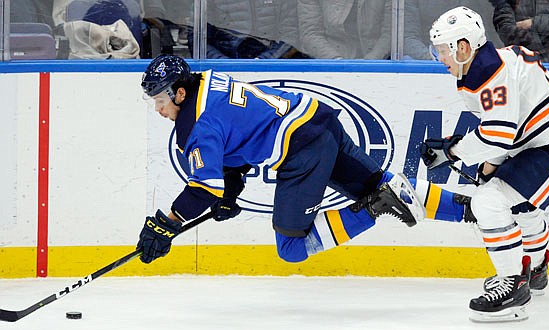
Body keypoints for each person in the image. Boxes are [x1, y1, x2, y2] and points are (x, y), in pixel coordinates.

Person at [136, 54, 434, 265]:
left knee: (291, 248)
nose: (157, 110)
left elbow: (203, 189)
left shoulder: (196, 126)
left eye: (160, 101)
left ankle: (375, 206)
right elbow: (240, 135)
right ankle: (468, 209)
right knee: (385, 183)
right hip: (318, 118)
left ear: (179, 93)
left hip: (301, 149)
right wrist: (230, 189)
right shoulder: (208, 81)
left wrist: (167, 223)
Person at [421, 6, 549, 322]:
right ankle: (536, 271)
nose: (439, 58)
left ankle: (513, 286)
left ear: (463, 46)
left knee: (488, 203)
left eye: (442, 50)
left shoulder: (490, 72)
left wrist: (452, 150)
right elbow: (504, 129)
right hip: (541, 141)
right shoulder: (486, 65)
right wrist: (488, 166)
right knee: (521, 206)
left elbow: (499, 134)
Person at [403, 0, 503, 60]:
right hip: (431, 61)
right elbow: (406, 37)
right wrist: (435, 58)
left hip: (471, 60)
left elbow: (488, 33)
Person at [201, 0, 302, 59]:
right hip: (221, 70)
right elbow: (198, 37)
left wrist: (263, 60)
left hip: (271, 68)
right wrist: (223, 62)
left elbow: (290, 34)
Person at [297, 0, 392, 59]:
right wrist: (336, 61)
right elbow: (310, 34)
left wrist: (371, 62)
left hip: (378, 64)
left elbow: (391, 32)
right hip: (330, 63)